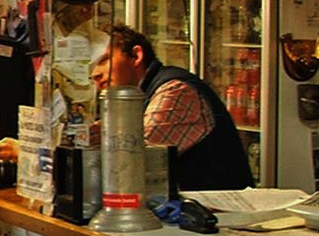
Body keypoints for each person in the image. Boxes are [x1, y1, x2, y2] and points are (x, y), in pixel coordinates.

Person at [90, 25, 255, 191]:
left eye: (103, 61)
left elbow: (128, 158)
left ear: (136, 55)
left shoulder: (176, 91)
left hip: (218, 211)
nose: (95, 74)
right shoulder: (135, 98)